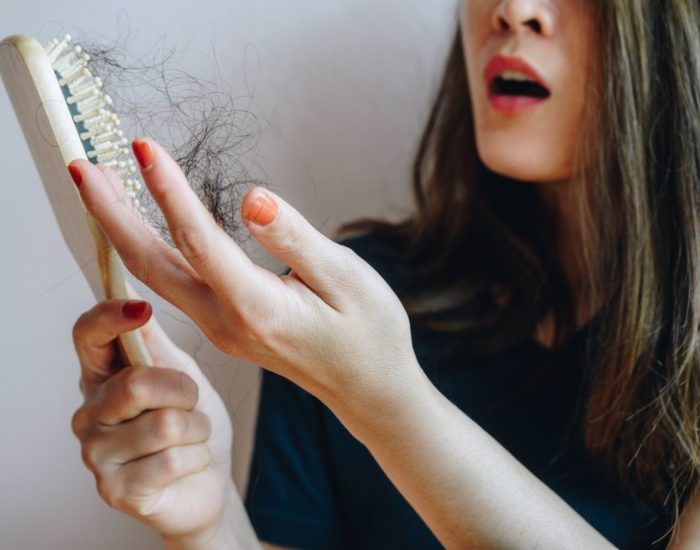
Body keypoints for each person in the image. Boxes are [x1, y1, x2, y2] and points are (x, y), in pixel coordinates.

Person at [67, 0, 700, 548]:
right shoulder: (340, 301)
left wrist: (383, 398)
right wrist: (209, 523)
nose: (513, 11)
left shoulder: (348, 340)